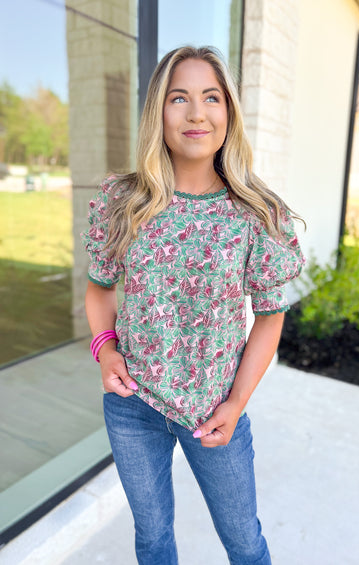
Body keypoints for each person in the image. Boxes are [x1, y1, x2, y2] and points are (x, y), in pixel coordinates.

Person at [82, 45, 305, 565]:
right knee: (153, 538)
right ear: (158, 111)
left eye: (212, 98)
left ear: (229, 112)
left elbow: (270, 321)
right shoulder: (124, 201)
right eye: (178, 98)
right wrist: (105, 350)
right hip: (132, 407)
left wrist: (236, 404)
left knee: (244, 542)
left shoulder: (257, 215)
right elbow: (98, 290)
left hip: (215, 410)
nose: (196, 113)